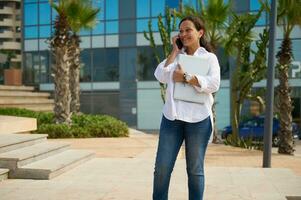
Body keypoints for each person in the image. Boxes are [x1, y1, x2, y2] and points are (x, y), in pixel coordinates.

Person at [152, 16, 221, 200]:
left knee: (195, 170)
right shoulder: (175, 58)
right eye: (180, 31)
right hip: (172, 119)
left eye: (188, 30)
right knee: (162, 168)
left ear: (200, 32)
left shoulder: (209, 58)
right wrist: (174, 51)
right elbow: (160, 74)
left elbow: (214, 84)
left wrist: (186, 77)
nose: (183, 34)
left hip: (198, 120)